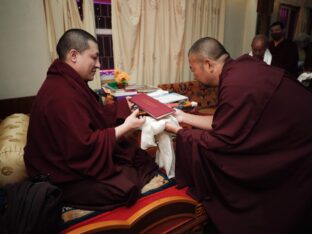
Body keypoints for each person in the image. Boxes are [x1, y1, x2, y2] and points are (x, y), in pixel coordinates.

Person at [165, 37, 312, 234]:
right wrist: (183, 117)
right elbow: (224, 122)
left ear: (208, 64)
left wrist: (179, 132)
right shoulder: (241, 67)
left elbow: (222, 142)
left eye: (193, 68)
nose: (193, 74)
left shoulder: (235, 83)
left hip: (300, 144)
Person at [24, 29, 161, 211]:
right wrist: (125, 127)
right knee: (126, 187)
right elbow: (81, 147)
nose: (98, 64)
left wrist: (125, 105)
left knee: (139, 158)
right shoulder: (61, 94)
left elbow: (94, 115)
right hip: (62, 174)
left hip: (73, 159)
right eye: (94, 58)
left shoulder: (67, 81)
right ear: (74, 55)